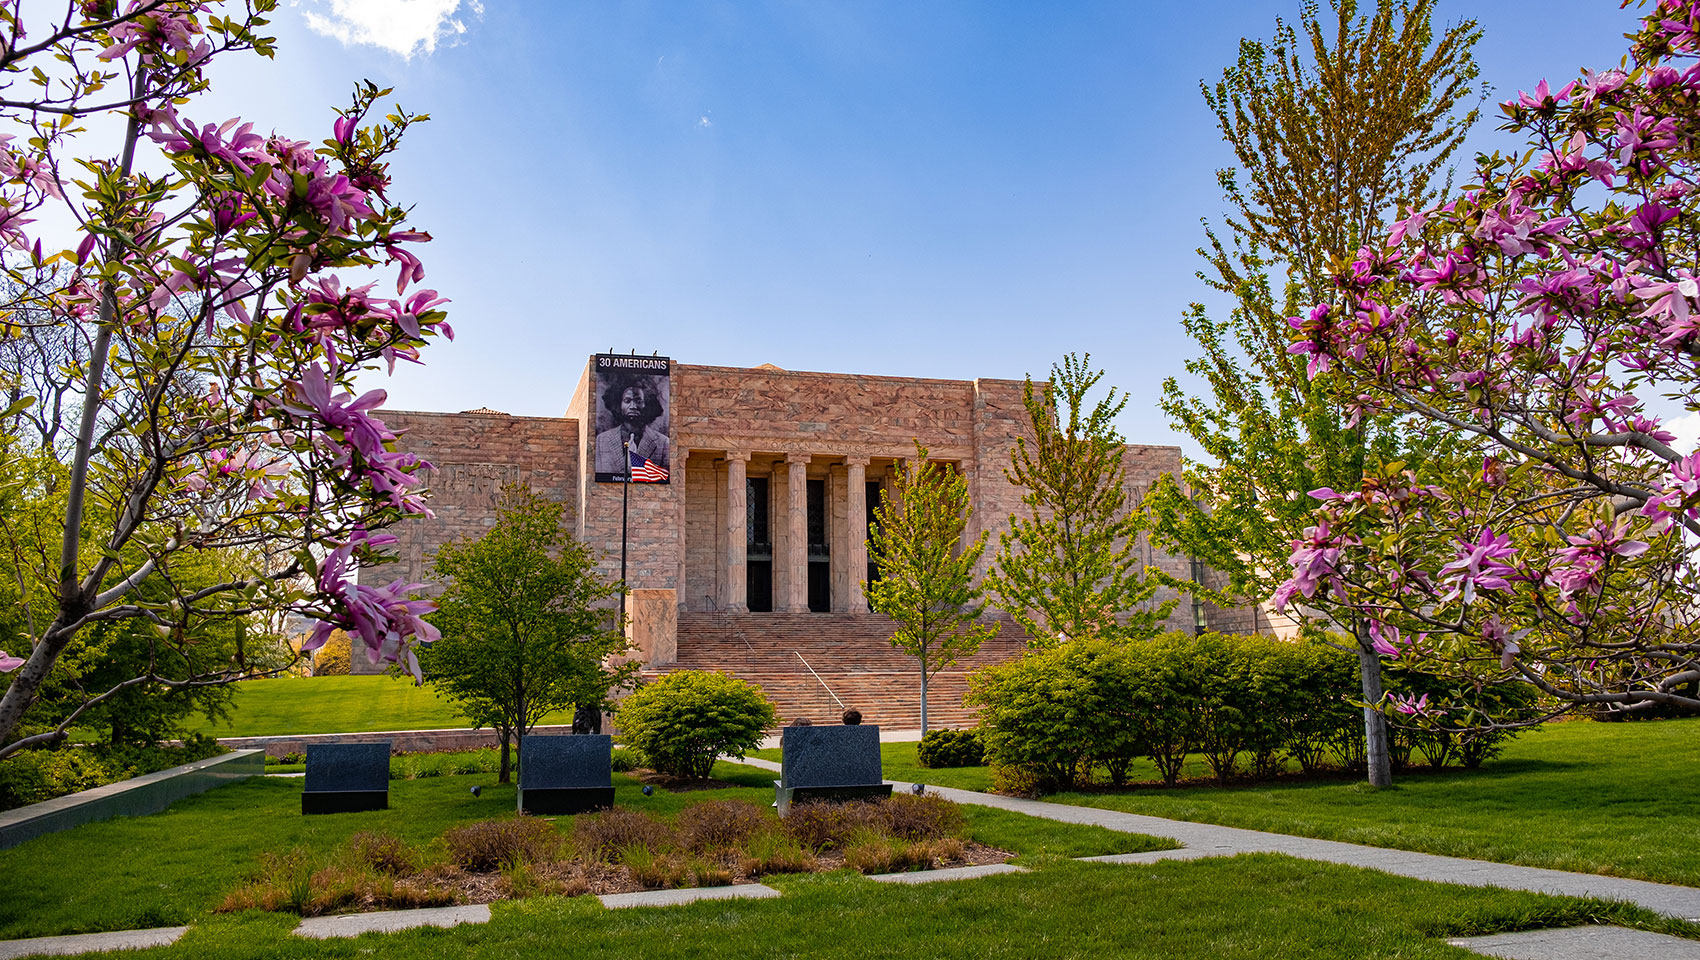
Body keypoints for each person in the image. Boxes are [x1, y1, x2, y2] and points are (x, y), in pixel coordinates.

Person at [594, 375, 668, 477]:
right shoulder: (602, 440)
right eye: (627, 401)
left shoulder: (663, 443)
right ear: (618, 404)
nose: (633, 407)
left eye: (638, 401)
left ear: (648, 404)